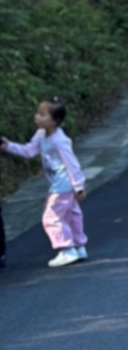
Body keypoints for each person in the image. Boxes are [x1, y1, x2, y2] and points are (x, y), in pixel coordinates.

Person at [1, 99, 88, 267]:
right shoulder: (41, 134)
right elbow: (29, 151)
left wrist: (79, 187)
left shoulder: (59, 140)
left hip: (63, 184)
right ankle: (78, 246)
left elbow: (72, 163)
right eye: (37, 113)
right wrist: (8, 146)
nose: (37, 117)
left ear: (55, 121)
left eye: (42, 115)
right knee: (71, 215)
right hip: (59, 183)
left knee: (52, 216)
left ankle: (67, 249)